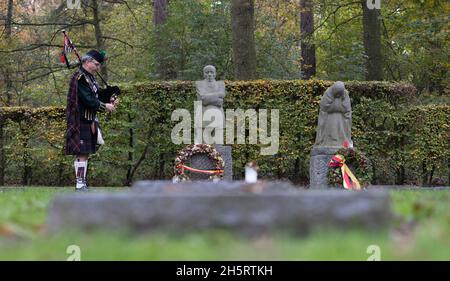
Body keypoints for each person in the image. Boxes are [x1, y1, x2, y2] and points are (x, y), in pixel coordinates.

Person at [64, 50, 118, 191]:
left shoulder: (90, 78)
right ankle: (80, 184)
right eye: (96, 64)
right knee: (82, 152)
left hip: (89, 119)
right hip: (80, 119)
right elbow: (88, 100)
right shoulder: (80, 77)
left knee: (85, 152)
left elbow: (96, 94)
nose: (98, 67)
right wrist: (105, 106)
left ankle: (81, 183)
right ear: (88, 62)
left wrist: (110, 95)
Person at [314, 81, 353, 147]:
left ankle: (343, 143)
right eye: (336, 93)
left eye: (339, 93)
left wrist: (339, 108)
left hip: (342, 119)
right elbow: (324, 108)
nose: (338, 95)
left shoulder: (345, 94)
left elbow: (347, 109)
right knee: (330, 129)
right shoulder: (328, 93)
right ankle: (327, 142)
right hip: (329, 118)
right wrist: (336, 107)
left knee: (341, 130)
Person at [195, 65, 226, 144]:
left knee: (218, 144)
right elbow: (203, 99)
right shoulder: (199, 84)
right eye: (207, 72)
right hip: (204, 114)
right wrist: (218, 96)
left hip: (218, 115)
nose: (209, 74)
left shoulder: (221, 84)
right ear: (203, 74)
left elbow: (222, 99)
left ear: (215, 74)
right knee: (203, 144)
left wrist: (208, 97)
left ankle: (217, 156)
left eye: (211, 72)